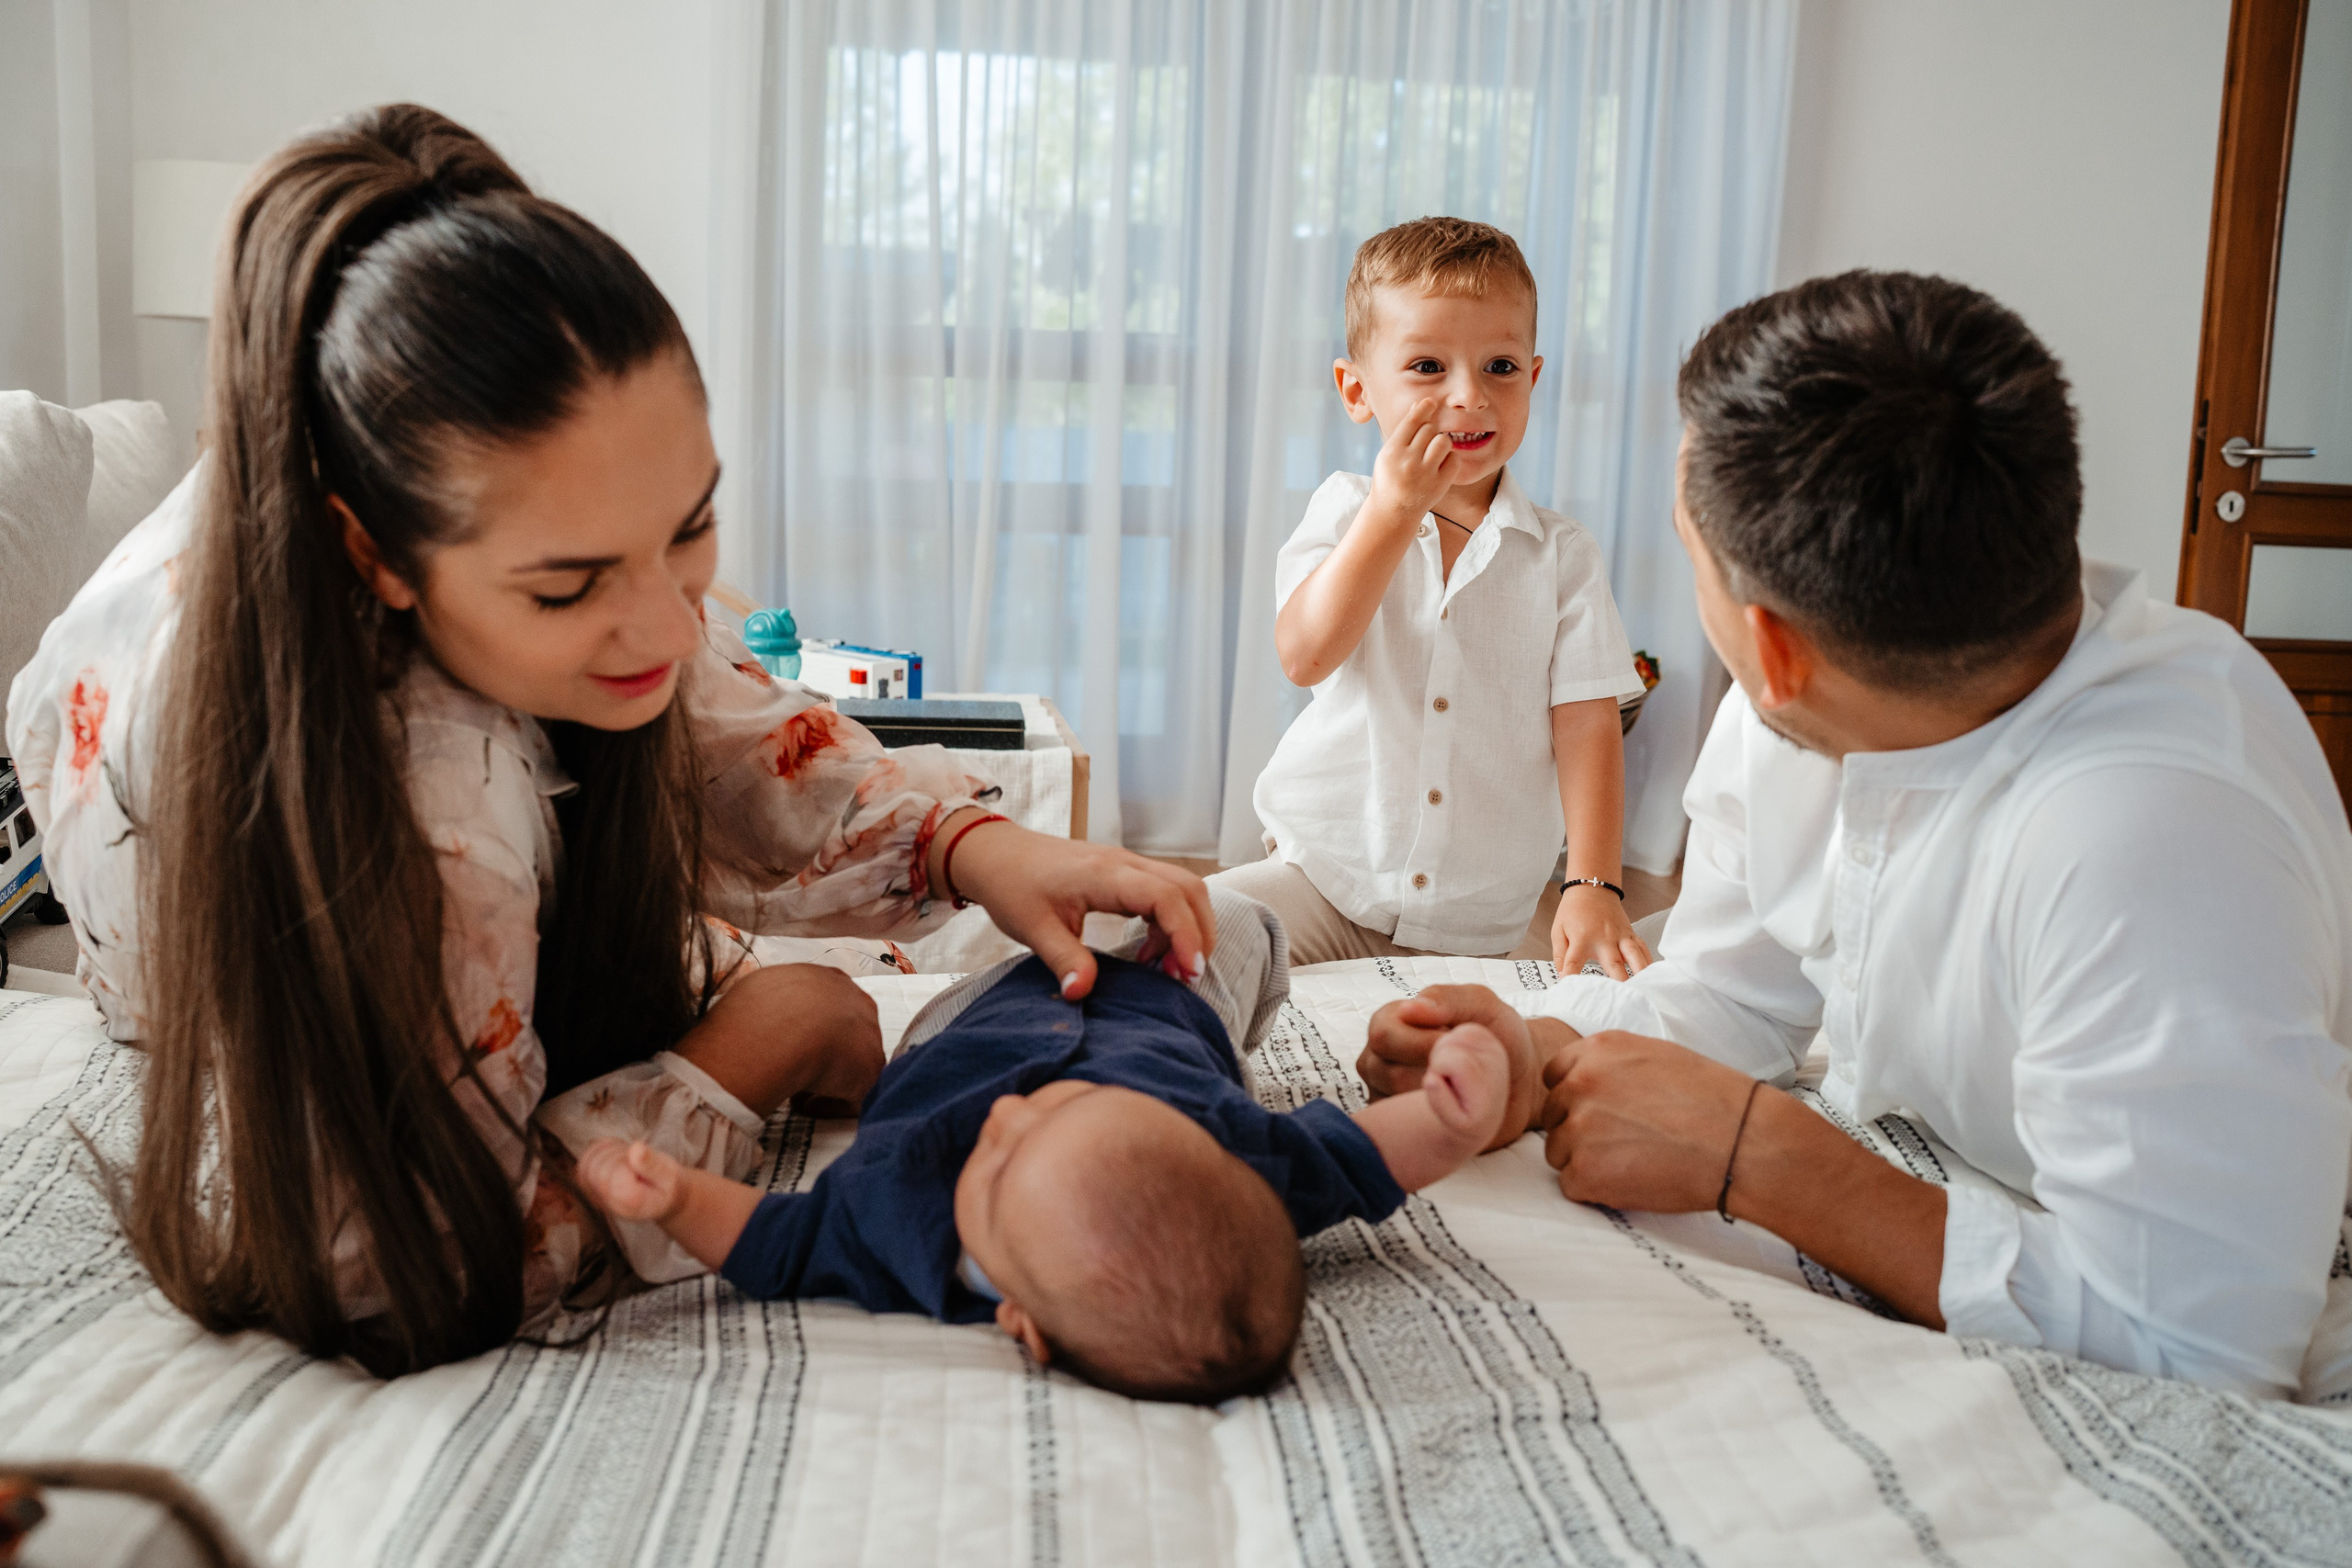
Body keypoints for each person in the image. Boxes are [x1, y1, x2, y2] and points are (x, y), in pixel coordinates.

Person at [3, 105, 1215, 1378]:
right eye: (568, 586)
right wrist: (774, 1034)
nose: (665, 619)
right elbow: (415, 1263)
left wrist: (974, 844)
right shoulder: (422, 805)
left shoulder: (451, 498)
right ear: (373, 553)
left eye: (689, 524)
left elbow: (707, 711)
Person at [1359, 270, 2352, 1402]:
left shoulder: (2153, 838)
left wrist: (1766, 1160)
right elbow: (1735, 995)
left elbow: (2196, 1345)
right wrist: (1538, 1043)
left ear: (1774, 650)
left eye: (1688, 552)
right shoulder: (1814, 701)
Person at [571, 891, 1510, 1403]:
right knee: (1237, 920)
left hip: (970, 1022)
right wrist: (1449, 1119)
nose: (1011, 1115)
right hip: (1173, 1005)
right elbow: (1357, 1156)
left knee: (963, 974)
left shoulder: (895, 1227)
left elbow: (772, 1246)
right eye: (1069, 1105)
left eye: (1002, 1161)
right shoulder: (1239, 1184)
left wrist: (674, 1198)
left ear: (1018, 1319)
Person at [1213, 218, 1649, 975]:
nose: (1469, 396)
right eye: (1426, 365)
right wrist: (1393, 511)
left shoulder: (1563, 555)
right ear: (1357, 390)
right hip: (1324, 877)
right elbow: (1306, 654)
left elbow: (1587, 724)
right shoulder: (1346, 510)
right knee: (1176, 941)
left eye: (1501, 367)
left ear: (1534, 380)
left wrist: (1593, 883)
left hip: (1482, 920)